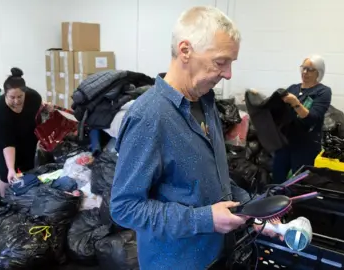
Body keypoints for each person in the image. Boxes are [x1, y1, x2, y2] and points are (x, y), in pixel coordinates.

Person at [110, 6, 278, 270]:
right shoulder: (150, 116)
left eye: (231, 63)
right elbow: (125, 207)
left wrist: (251, 208)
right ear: (185, 51)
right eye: (221, 62)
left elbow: (210, 179)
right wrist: (204, 220)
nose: (228, 74)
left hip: (217, 255)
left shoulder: (206, 102)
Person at [0, 67, 50, 197]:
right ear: (5, 94)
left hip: (26, 135)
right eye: (12, 97)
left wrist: (45, 107)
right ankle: (5, 201)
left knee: (28, 168)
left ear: (25, 92)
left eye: (20, 96)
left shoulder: (34, 97)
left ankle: (24, 200)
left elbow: (38, 113)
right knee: (7, 174)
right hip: (2, 140)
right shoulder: (0, 110)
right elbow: (7, 142)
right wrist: (11, 168)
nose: (16, 101)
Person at [272, 55, 332, 183]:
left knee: (300, 183)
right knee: (277, 178)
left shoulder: (323, 92)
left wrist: (295, 103)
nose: (305, 72)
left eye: (310, 69)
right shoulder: (293, 88)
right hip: (285, 143)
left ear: (319, 73)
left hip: (306, 146)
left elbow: (311, 118)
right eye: (303, 68)